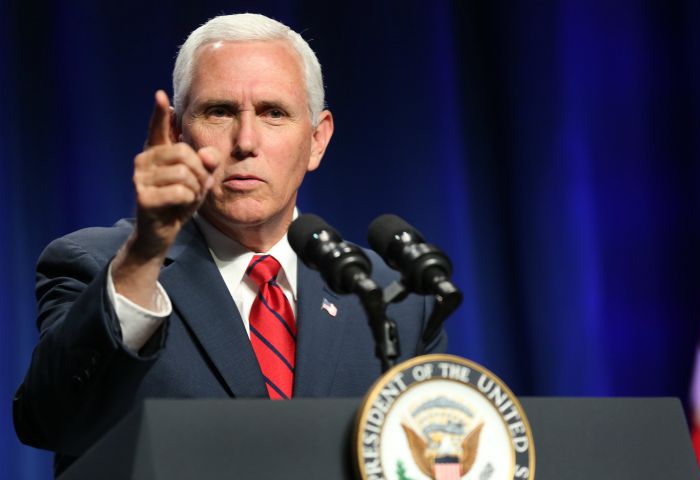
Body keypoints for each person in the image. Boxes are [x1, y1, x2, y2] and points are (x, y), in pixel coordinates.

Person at [13, 13, 446, 474]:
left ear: (317, 140)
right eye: (219, 112)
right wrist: (143, 256)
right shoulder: (100, 267)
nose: (245, 141)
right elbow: (53, 422)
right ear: (179, 133)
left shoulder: (393, 297)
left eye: (273, 113)